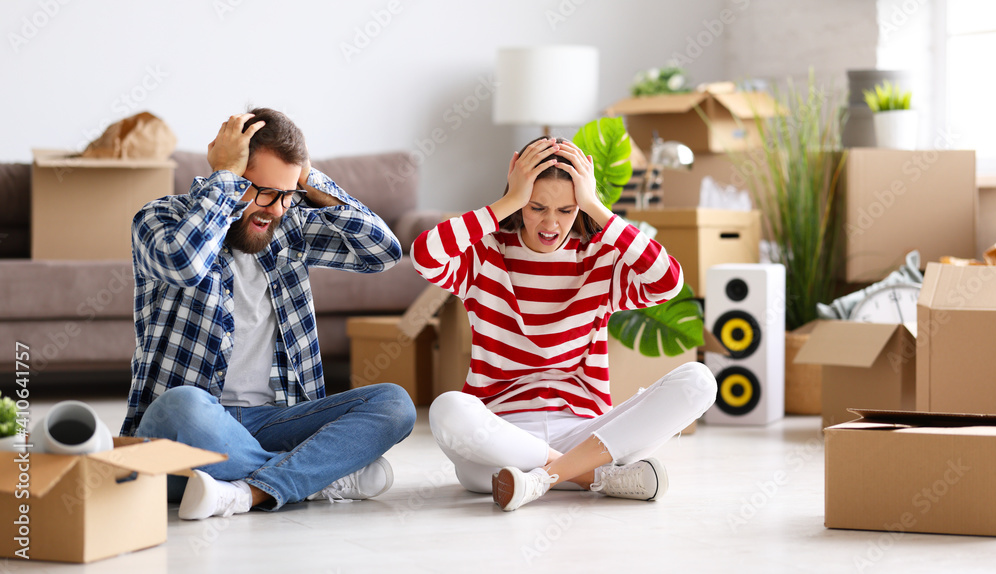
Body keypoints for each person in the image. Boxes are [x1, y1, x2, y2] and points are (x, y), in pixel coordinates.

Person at [121, 108, 416, 520]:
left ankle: (252, 487)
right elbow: (184, 264)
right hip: (186, 435)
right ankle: (311, 477)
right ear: (232, 174)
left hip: (274, 420)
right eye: (262, 192)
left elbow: (383, 253)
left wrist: (312, 182)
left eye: (286, 194)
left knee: (394, 404)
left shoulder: (288, 229)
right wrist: (223, 179)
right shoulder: (160, 219)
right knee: (181, 405)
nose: (275, 209)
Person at [411, 137, 716, 511]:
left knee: (699, 382)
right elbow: (424, 255)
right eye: (536, 206)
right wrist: (506, 202)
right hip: (500, 432)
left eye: (568, 209)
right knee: (447, 409)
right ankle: (596, 478)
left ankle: (539, 479)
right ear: (519, 194)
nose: (551, 223)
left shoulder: (600, 258)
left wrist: (597, 208)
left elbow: (667, 283)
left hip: (585, 433)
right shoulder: (484, 254)